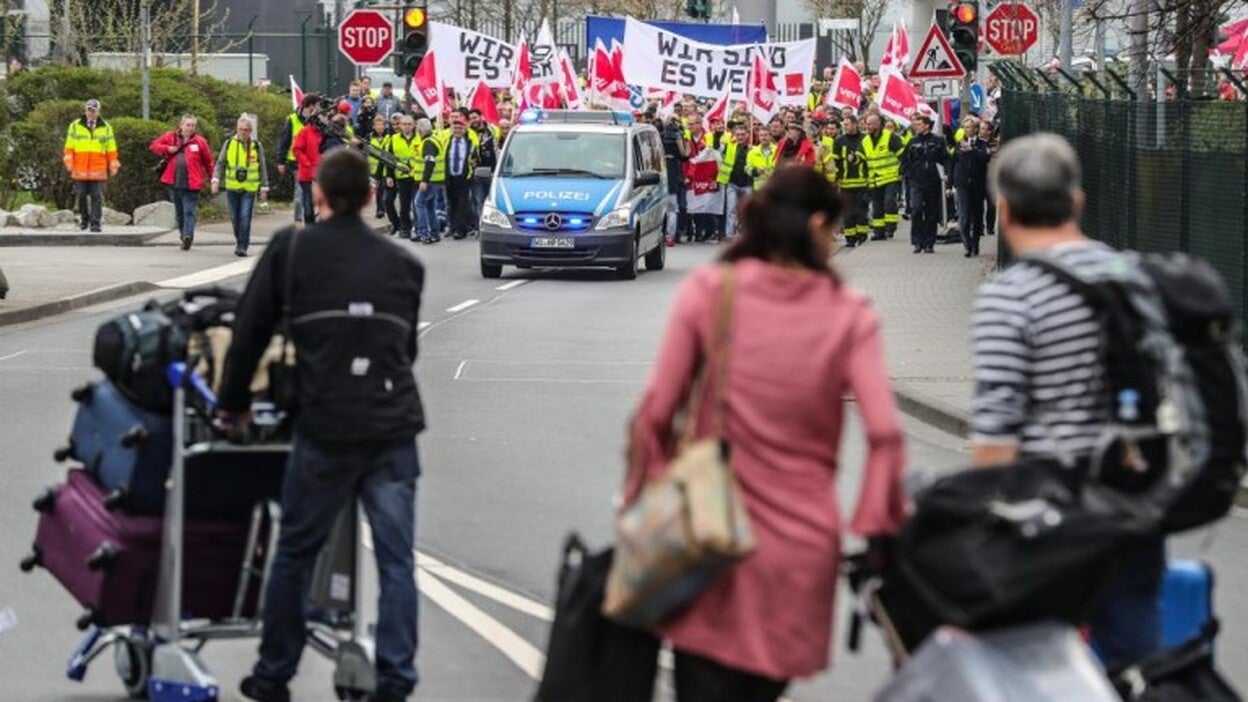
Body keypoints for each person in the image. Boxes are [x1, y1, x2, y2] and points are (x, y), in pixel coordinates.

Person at [624, 164, 906, 702]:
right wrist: (877, 527)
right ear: (818, 224)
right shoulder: (848, 312)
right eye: (835, 231)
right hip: (801, 547)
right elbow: (886, 434)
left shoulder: (711, 290)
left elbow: (656, 412)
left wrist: (646, 497)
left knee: (703, 681)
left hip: (707, 534)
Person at [218, 148, 425, 702]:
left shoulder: (292, 249)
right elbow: (404, 348)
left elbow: (248, 331)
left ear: (317, 196)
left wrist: (232, 402)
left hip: (325, 423)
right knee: (396, 557)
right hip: (392, 425)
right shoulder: (406, 265)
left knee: (296, 550)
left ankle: (274, 674)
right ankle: (396, 677)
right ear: (372, 197)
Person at [971, 133, 1165, 668]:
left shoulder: (1010, 295)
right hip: (1133, 499)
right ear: (1077, 202)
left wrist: (987, 522)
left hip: (1050, 509)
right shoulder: (1131, 274)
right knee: (1135, 660)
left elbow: (997, 423)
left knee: (1043, 665)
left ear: (1003, 208)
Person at [150, 114, 214, 251]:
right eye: (188, 125)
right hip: (174, 182)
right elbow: (154, 146)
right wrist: (167, 149)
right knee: (179, 212)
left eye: (193, 125)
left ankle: (187, 236)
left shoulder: (200, 142)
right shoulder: (171, 137)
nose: (190, 128)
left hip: (193, 183)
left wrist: (213, 178)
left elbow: (208, 162)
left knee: (189, 211)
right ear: (181, 125)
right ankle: (183, 236)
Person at [211, 115, 270, 256]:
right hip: (232, 187)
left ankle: (242, 246)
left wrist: (264, 187)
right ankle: (240, 240)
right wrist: (216, 179)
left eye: (247, 129)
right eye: (241, 129)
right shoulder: (229, 143)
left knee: (245, 216)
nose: (244, 132)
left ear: (251, 131)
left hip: (249, 189)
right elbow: (220, 163)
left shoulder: (256, 145)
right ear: (237, 129)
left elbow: (262, 166)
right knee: (234, 217)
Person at [63, 98, 120, 233]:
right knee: (81, 195)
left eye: (93, 110)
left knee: (97, 196)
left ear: (98, 111)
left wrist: (113, 165)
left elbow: (111, 149)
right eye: (89, 110)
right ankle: (84, 220)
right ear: (85, 110)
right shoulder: (75, 126)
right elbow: (69, 146)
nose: (91, 113)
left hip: (98, 169)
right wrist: (69, 162)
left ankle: (95, 224)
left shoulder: (106, 127)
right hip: (80, 168)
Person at [900, 114, 946, 254]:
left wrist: (947, 174)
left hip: (932, 182)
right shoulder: (912, 142)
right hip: (916, 182)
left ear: (927, 125)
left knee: (931, 213)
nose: (916, 127)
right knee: (916, 210)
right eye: (915, 124)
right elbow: (904, 161)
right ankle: (917, 242)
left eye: (919, 124)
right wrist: (908, 173)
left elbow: (945, 158)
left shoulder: (938, 141)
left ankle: (929, 243)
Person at [277, 93, 323, 226]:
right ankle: (298, 221)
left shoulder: (319, 121)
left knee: (312, 195)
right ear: (310, 106)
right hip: (297, 163)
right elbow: (284, 140)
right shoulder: (292, 119)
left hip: (316, 165)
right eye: (318, 105)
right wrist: (281, 160)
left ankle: (310, 218)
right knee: (300, 194)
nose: (320, 108)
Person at [861, 114, 906, 241]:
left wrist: (902, 171)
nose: (867, 127)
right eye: (866, 124)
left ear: (877, 124)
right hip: (874, 180)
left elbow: (902, 155)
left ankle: (890, 228)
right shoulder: (865, 141)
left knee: (889, 202)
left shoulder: (890, 137)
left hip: (891, 178)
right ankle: (878, 232)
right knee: (877, 207)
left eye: (870, 124)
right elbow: (863, 160)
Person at [952, 117, 991, 257]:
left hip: (977, 185)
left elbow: (985, 158)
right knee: (964, 215)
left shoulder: (982, 145)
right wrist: (951, 182)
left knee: (977, 216)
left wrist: (972, 150)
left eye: (969, 127)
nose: (967, 130)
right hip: (962, 185)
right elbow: (953, 163)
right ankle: (967, 244)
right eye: (965, 127)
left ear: (976, 129)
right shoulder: (959, 144)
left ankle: (975, 244)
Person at [835, 115, 870, 248]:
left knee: (861, 211)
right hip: (845, 183)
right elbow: (836, 162)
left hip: (862, 182)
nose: (845, 127)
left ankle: (862, 236)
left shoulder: (865, 139)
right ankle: (850, 238)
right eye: (844, 125)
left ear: (855, 124)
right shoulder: (839, 141)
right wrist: (836, 179)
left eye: (848, 124)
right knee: (848, 212)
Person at [385, 115, 421, 238]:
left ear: (414, 125)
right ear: (400, 125)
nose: (407, 126)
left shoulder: (419, 138)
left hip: (417, 176)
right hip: (401, 176)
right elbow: (389, 158)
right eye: (404, 124)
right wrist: (389, 176)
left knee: (417, 204)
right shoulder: (393, 139)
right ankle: (405, 228)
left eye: (409, 124)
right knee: (404, 205)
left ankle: (418, 228)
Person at [716, 123, 753, 239]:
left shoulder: (752, 149)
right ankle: (729, 235)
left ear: (747, 135)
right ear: (734, 135)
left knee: (747, 211)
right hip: (732, 182)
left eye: (743, 134)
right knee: (731, 210)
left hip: (747, 183)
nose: (740, 137)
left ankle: (747, 234)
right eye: (738, 135)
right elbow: (716, 148)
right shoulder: (729, 146)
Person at [413, 118, 447, 244]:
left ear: (420, 129)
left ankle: (424, 233)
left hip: (430, 180)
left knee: (419, 203)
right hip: (436, 180)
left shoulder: (428, 143)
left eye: (417, 127)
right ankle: (435, 233)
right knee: (430, 206)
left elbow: (430, 162)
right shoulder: (434, 139)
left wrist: (424, 180)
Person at [442, 120, 477, 240]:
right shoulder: (446, 142)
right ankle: (452, 227)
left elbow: (475, 159)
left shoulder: (470, 143)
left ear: (464, 130)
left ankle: (460, 230)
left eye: (460, 129)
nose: (457, 131)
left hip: (464, 178)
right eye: (455, 128)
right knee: (452, 204)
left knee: (462, 204)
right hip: (450, 177)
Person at [660, 115, 691, 244]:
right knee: (672, 208)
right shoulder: (677, 135)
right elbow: (684, 154)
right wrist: (687, 144)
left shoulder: (660, 135)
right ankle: (670, 236)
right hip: (673, 170)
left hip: (661, 169)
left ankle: (660, 236)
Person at [468, 108, 500, 226]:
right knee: (479, 200)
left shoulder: (493, 130)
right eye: (470, 119)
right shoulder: (469, 133)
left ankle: (494, 225)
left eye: (475, 117)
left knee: (493, 201)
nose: (473, 121)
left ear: (481, 117)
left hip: (493, 171)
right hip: (477, 172)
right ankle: (481, 226)